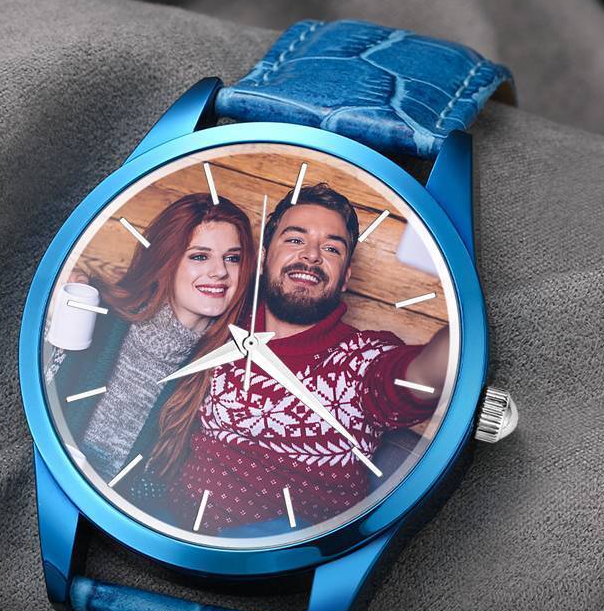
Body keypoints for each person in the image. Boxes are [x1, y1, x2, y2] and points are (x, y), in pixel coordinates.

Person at [168, 182, 452, 535]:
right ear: (265, 256)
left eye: (331, 248)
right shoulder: (221, 318)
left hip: (283, 550)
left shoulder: (362, 358)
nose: (312, 256)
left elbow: (422, 376)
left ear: (345, 277)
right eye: (295, 240)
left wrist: (464, 308)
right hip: (173, 528)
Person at [47, 193, 255, 496]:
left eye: (232, 258)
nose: (220, 271)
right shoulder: (96, 313)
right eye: (200, 256)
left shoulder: (227, 367)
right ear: (166, 260)